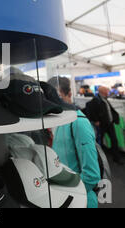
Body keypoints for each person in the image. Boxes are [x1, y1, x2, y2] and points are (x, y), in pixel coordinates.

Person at [48, 77, 101, 208]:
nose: (53, 102)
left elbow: (92, 175)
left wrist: (68, 195)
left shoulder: (78, 122)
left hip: (81, 200)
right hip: (65, 196)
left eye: (58, 96)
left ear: (69, 94)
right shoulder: (56, 121)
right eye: (49, 97)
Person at [85, 86, 125, 166]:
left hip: (109, 123)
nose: (108, 91)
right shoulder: (96, 100)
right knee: (99, 142)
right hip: (102, 124)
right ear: (103, 91)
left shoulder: (104, 99)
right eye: (106, 90)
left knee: (114, 141)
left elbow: (109, 110)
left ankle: (117, 158)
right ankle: (98, 161)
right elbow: (91, 109)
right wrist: (96, 120)